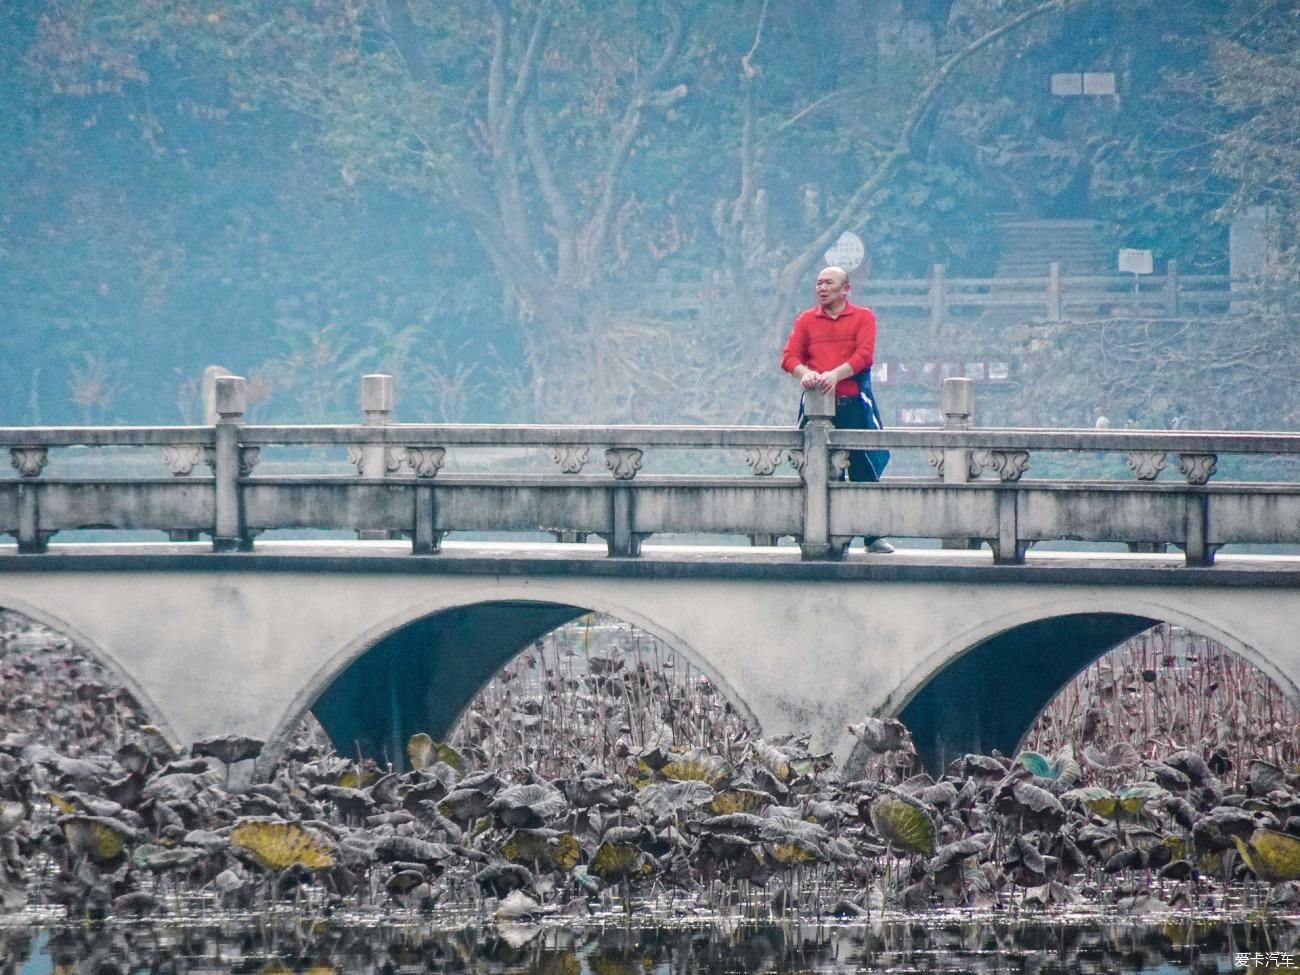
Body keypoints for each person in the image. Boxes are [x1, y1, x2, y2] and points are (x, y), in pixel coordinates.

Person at [780, 265, 894, 554]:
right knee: (821, 470)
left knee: (864, 467)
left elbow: (865, 356)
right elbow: (789, 357)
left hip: (853, 402)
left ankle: (872, 535)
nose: (822, 288)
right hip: (818, 409)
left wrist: (834, 375)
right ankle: (826, 536)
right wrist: (805, 373)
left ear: (846, 289)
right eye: (818, 283)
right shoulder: (807, 320)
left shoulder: (863, 317)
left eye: (828, 283)